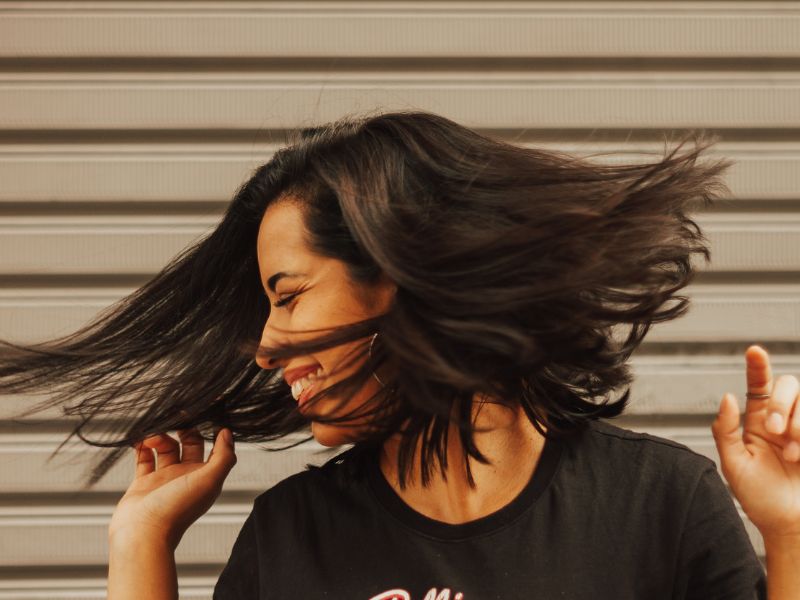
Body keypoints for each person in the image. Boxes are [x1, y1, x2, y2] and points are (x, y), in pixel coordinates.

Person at [1, 111, 797, 598]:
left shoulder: (656, 503)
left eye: (288, 294)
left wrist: (790, 533)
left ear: (398, 278)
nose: (268, 345)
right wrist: (140, 542)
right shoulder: (292, 535)